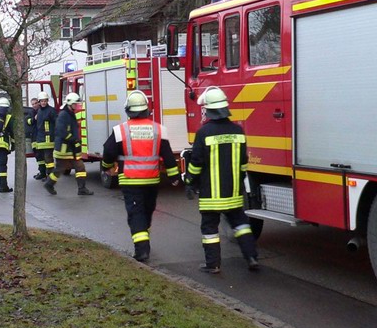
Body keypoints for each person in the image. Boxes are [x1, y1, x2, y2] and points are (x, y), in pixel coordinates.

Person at [184, 86, 259, 274]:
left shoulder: (203, 133)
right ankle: (251, 257)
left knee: (210, 229)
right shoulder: (238, 131)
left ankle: (213, 264)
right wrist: (240, 181)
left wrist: (190, 181)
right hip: (233, 192)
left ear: (208, 110)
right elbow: (243, 162)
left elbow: (196, 163)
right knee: (241, 224)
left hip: (211, 195)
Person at [101, 90, 180, 262]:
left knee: (136, 213)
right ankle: (144, 239)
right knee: (147, 210)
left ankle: (142, 250)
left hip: (130, 180)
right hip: (152, 180)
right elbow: (167, 155)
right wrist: (174, 177)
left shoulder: (120, 130)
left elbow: (108, 151)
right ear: (146, 109)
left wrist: (106, 167)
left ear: (128, 110)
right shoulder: (159, 129)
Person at [45, 92, 94, 196]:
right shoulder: (64, 115)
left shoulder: (70, 114)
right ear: (70, 104)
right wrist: (72, 139)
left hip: (70, 148)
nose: (77, 106)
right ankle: (49, 184)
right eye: (75, 104)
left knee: (80, 167)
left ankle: (82, 189)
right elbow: (60, 131)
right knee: (60, 168)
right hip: (64, 149)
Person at [34, 91, 57, 183]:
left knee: (49, 159)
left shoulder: (51, 110)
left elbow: (56, 123)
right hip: (40, 139)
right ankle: (46, 175)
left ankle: (50, 177)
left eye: (45, 101)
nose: (43, 103)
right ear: (39, 102)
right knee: (43, 158)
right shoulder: (39, 111)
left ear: (47, 101)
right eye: (42, 101)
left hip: (48, 139)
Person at [26, 97, 46, 180]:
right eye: (32, 104)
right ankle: (42, 172)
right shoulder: (31, 112)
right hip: (34, 137)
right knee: (38, 156)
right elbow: (28, 121)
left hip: (43, 137)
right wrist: (34, 119)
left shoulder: (43, 111)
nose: (34, 105)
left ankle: (46, 173)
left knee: (45, 156)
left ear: (38, 103)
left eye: (35, 103)